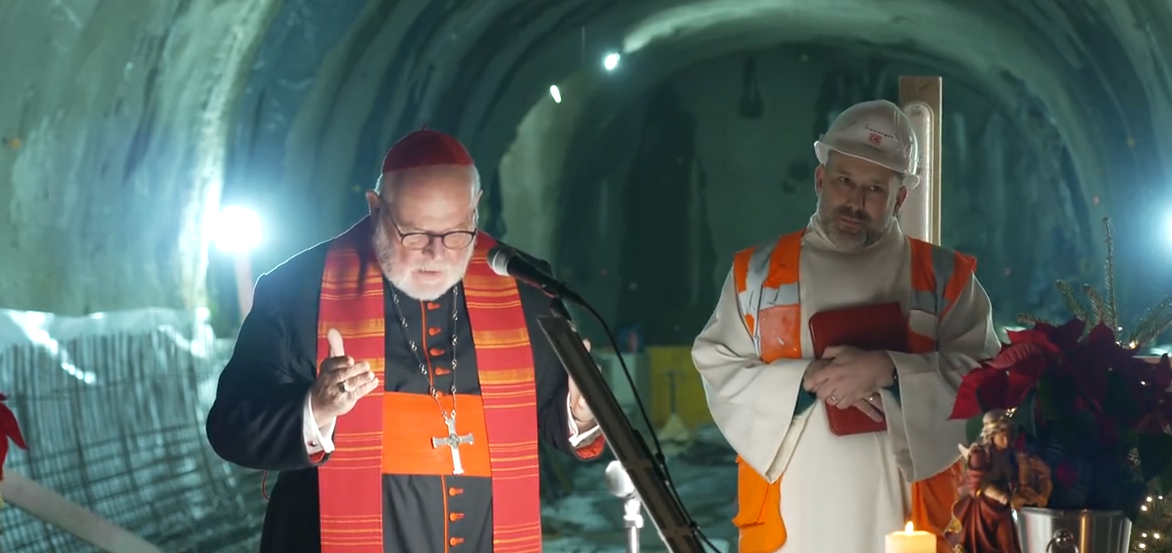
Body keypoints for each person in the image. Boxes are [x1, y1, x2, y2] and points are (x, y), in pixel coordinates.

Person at [206, 128, 606, 553]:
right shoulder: (297, 291)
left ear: (475, 210)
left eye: (456, 233)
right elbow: (231, 427)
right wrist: (315, 408)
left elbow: (552, 419)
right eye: (415, 234)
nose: (436, 254)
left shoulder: (522, 286)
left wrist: (580, 413)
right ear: (377, 209)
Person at [691, 99, 1003, 553]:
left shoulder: (943, 277)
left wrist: (890, 371)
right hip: (793, 522)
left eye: (875, 189)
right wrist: (804, 378)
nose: (855, 201)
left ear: (900, 197)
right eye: (843, 181)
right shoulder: (757, 273)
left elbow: (989, 380)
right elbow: (716, 365)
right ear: (820, 180)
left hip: (905, 517)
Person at [946, 410, 1052, 553]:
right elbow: (981, 484)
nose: (1007, 441)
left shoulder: (1009, 455)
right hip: (984, 507)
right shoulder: (980, 456)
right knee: (981, 545)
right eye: (1002, 436)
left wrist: (1024, 469)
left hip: (1003, 508)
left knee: (1007, 545)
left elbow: (1018, 481)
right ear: (991, 435)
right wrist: (1006, 498)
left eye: (1008, 435)